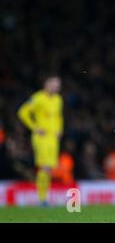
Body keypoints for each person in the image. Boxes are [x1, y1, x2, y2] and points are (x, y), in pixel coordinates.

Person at [17, 76, 63, 206]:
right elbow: (22, 112)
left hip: (53, 138)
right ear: (46, 84)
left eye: (58, 85)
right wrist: (34, 127)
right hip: (42, 137)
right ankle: (42, 198)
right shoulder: (38, 98)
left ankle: (43, 198)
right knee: (45, 167)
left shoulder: (58, 99)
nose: (56, 87)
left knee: (48, 169)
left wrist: (60, 129)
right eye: (54, 84)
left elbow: (59, 116)